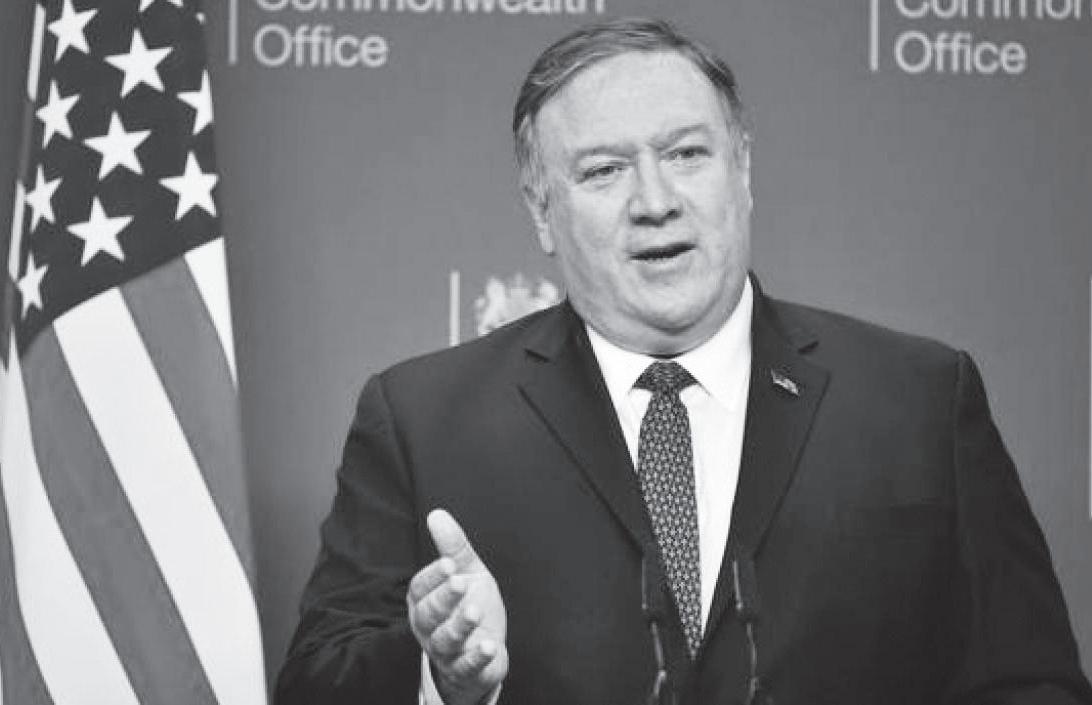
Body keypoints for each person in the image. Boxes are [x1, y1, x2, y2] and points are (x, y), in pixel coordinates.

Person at [275, 17, 1092, 705]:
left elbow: (1031, 682)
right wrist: (438, 672)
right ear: (542, 211)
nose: (655, 201)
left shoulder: (917, 399)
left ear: (743, 171)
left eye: (687, 154)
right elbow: (314, 683)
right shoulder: (423, 419)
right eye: (604, 170)